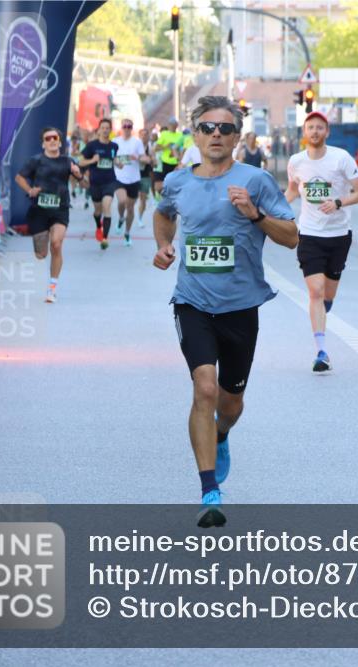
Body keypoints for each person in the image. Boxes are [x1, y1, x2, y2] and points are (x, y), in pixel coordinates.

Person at [152, 96, 298, 528]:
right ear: (194, 135)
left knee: (230, 403)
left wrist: (255, 215)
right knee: (204, 387)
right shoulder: (177, 181)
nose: (216, 134)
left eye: (226, 129)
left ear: (237, 138)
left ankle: (220, 433)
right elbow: (163, 216)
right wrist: (164, 245)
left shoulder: (256, 180)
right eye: (208, 128)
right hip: (192, 301)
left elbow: (291, 236)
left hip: (240, 306)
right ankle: (209, 490)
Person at [284, 111, 358, 372]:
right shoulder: (296, 162)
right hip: (309, 234)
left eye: (320, 127)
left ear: (327, 132)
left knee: (327, 295)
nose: (315, 132)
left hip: (339, 235)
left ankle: (322, 308)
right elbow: (292, 190)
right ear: (304, 132)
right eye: (311, 127)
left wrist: (339, 202)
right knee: (315, 291)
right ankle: (321, 351)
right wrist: (273, 210)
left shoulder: (341, 158)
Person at [15, 126, 83, 302]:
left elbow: (85, 184)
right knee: (41, 254)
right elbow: (19, 177)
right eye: (48, 138)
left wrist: (78, 175)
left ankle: (52, 288)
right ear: (43, 144)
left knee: (56, 244)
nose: (52, 141)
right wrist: (30, 190)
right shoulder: (36, 161)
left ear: (60, 142)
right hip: (39, 210)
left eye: (55, 138)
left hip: (60, 208)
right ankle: (42, 249)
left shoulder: (68, 162)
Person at [79, 118, 120, 249]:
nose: (105, 130)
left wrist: (118, 163)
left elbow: (115, 159)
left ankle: (105, 238)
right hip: (95, 182)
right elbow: (81, 162)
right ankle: (98, 226)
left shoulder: (114, 146)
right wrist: (92, 160)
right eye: (103, 128)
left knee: (107, 206)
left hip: (110, 181)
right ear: (99, 130)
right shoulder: (92, 146)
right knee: (98, 211)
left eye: (107, 128)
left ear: (110, 130)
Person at [112, 119, 148, 245]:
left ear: (132, 128)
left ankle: (127, 233)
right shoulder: (115, 141)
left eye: (129, 126)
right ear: (121, 127)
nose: (127, 128)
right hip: (119, 177)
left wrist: (138, 158)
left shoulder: (137, 142)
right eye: (125, 126)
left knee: (131, 208)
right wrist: (118, 162)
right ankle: (121, 218)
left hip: (134, 179)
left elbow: (143, 157)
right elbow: (112, 157)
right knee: (122, 201)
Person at [153, 116, 183, 193]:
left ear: (177, 125)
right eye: (171, 124)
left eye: (175, 124)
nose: (173, 126)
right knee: (163, 185)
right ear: (169, 125)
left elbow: (183, 149)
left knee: (175, 185)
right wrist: (166, 146)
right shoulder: (164, 134)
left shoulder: (180, 135)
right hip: (165, 163)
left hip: (176, 163)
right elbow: (156, 148)